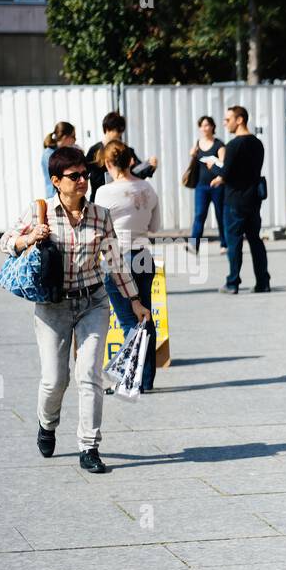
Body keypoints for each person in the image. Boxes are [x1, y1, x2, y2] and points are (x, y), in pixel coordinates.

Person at [1, 146, 150, 474]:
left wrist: (135, 300)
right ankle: (47, 423)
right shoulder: (40, 212)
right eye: (74, 176)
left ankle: (89, 446)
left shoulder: (100, 215)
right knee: (55, 380)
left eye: (85, 174)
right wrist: (28, 240)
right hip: (53, 306)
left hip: (93, 302)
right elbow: (5, 242)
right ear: (56, 181)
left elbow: (114, 261)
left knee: (89, 375)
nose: (83, 180)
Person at [96, 140, 162, 393]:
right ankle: (145, 380)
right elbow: (155, 227)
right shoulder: (148, 188)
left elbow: (98, 230)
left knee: (127, 322)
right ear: (131, 161)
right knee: (146, 318)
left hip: (118, 257)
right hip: (144, 255)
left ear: (108, 163)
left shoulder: (104, 193)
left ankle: (129, 380)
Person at [210, 105, 269, 294]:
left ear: (240, 119)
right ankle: (263, 281)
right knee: (255, 241)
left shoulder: (234, 145)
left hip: (235, 200)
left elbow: (226, 173)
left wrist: (213, 167)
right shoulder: (257, 143)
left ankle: (233, 282)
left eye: (228, 120)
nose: (225, 123)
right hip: (254, 199)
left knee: (234, 242)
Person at [86, 111, 157, 201]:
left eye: (121, 130)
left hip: (122, 198)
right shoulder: (94, 151)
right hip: (99, 199)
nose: (119, 134)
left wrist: (150, 166)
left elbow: (137, 172)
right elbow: (84, 173)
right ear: (107, 128)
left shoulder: (125, 150)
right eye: (117, 130)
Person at [188, 115, 227, 251]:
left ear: (212, 127)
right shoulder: (198, 144)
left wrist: (215, 162)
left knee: (220, 215)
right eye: (202, 125)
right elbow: (194, 162)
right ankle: (193, 245)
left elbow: (224, 164)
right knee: (199, 215)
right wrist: (192, 154)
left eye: (207, 125)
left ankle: (224, 244)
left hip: (217, 185)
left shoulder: (219, 144)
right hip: (201, 186)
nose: (204, 128)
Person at [40, 122, 77, 198]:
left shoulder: (65, 151)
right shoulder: (49, 154)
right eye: (73, 136)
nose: (75, 140)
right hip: (55, 197)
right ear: (65, 137)